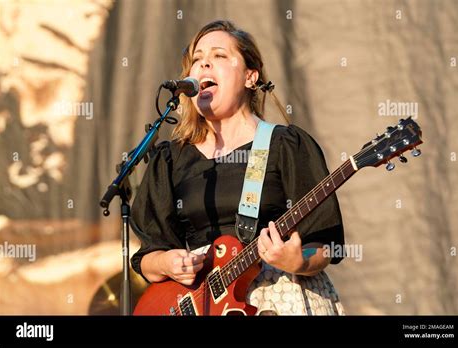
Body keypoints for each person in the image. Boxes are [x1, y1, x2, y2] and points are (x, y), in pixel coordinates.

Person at [131, 20, 345, 315]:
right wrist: (167, 263)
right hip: (200, 302)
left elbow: (324, 245)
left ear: (250, 76)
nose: (204, 63)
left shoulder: (286, 145)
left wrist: (299, 261)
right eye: (197, 59)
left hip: (277, 295)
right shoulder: (170, 159)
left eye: (219, 56)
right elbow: (147, 257)